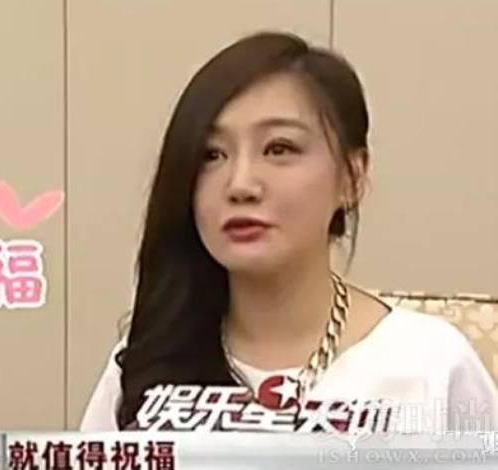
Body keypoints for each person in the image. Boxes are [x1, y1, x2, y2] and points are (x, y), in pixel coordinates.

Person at [80, 31, 498, 433]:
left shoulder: (429, 364)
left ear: (352, 178)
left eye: (279, 149)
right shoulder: (148, 360)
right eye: (212, 154)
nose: (241, 185)